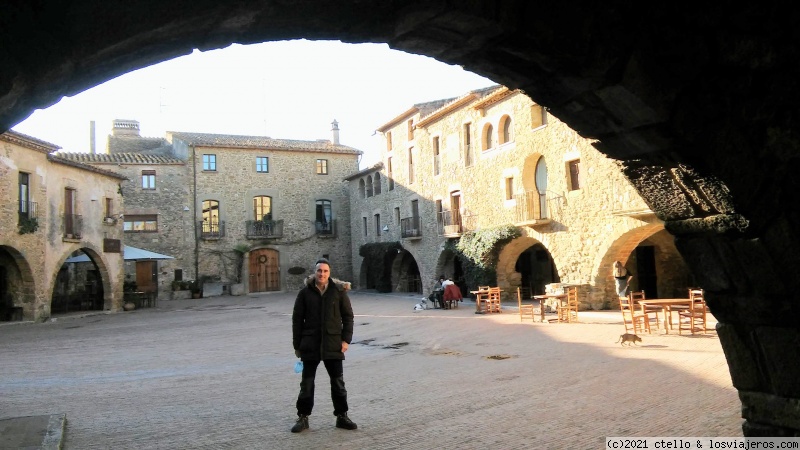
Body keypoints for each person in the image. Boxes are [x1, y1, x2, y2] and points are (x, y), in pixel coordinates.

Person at [291, 258, 357, 433]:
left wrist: (346, 340)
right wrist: (297, 345)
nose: (322, 274)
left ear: (330, 273)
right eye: (319, 271)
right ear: (315, 272)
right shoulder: (305, 293)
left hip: (333, 344)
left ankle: (342, 416)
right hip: (310, 344)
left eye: (325, 271)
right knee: (307, 384)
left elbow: (348, 317)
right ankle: (303, 417)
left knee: (338, 383)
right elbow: (297, 321)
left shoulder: (338, 292)